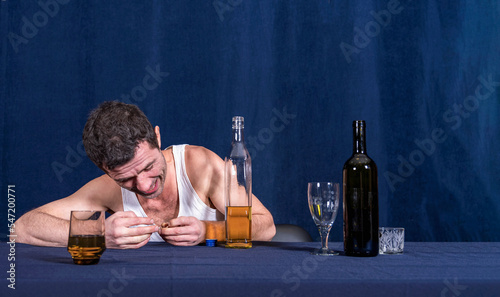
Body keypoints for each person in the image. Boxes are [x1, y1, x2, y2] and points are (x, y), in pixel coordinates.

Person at [12, 101, 276, 249]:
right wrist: (98, 232)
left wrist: (210, 229)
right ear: (106, 170)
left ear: (157, 138)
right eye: (125, 179)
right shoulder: (107, 188)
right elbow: (22, 228)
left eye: (148, 167)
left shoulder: (202, 165)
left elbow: (266, 225)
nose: (143, 185)